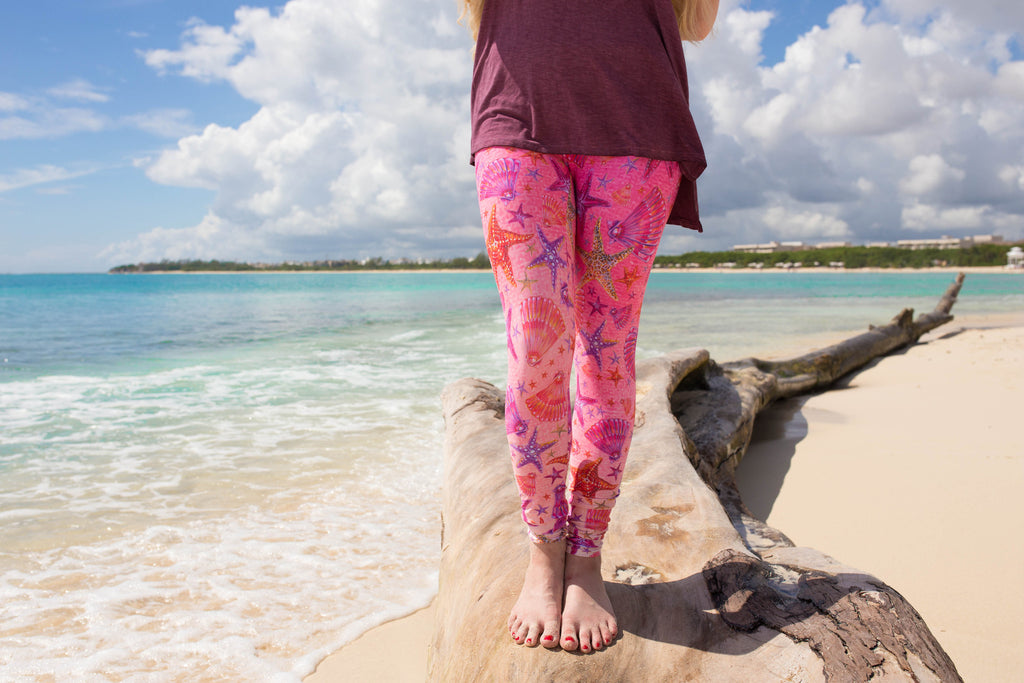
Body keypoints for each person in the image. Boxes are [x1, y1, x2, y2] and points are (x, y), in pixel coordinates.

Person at [461, 0, 719, 654]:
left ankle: (585, 558)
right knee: (534, 351)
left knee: (606, 355)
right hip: (516, 115)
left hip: (636, 123)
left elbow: (697, 20)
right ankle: (543, 552)